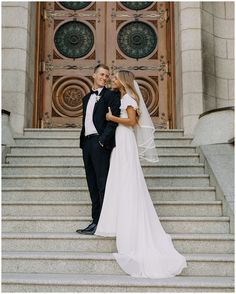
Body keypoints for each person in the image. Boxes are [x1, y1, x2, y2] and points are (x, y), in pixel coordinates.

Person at [95, 70, 187, 278]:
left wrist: (112, 117)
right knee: (122, 178)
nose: (113, 80)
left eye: (116, 78)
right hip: (122, 139)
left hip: (126, 138)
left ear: (124, 81)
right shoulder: (123, 96)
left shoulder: (128, 97)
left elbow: (132, 122)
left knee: (127, 177)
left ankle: (131, 224)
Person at [76, 64, 120, 235]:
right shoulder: (86, 98)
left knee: (102, 184)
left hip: (100, 144)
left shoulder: (111, 96)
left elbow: (113, 121)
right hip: (86, 144)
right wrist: (84, 143)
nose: (104, 77)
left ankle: (103, 222)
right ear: (93, 75)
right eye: (101, 74)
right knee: (92, 184)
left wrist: (102, 141)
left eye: (107, 75)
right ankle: (95, 221)